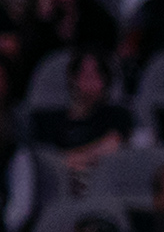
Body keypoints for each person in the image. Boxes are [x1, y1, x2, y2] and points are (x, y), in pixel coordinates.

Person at [31, 51, 136, 186]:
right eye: (86, 75)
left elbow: (110, 147)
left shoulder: (117, 115)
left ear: (106, 80)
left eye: (97, 75)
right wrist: (85, 158)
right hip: (61, 183)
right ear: (72, 78)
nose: (91, 82)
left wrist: (70, 159)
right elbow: (46, 161)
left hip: (102, 183)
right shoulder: (49, 120)